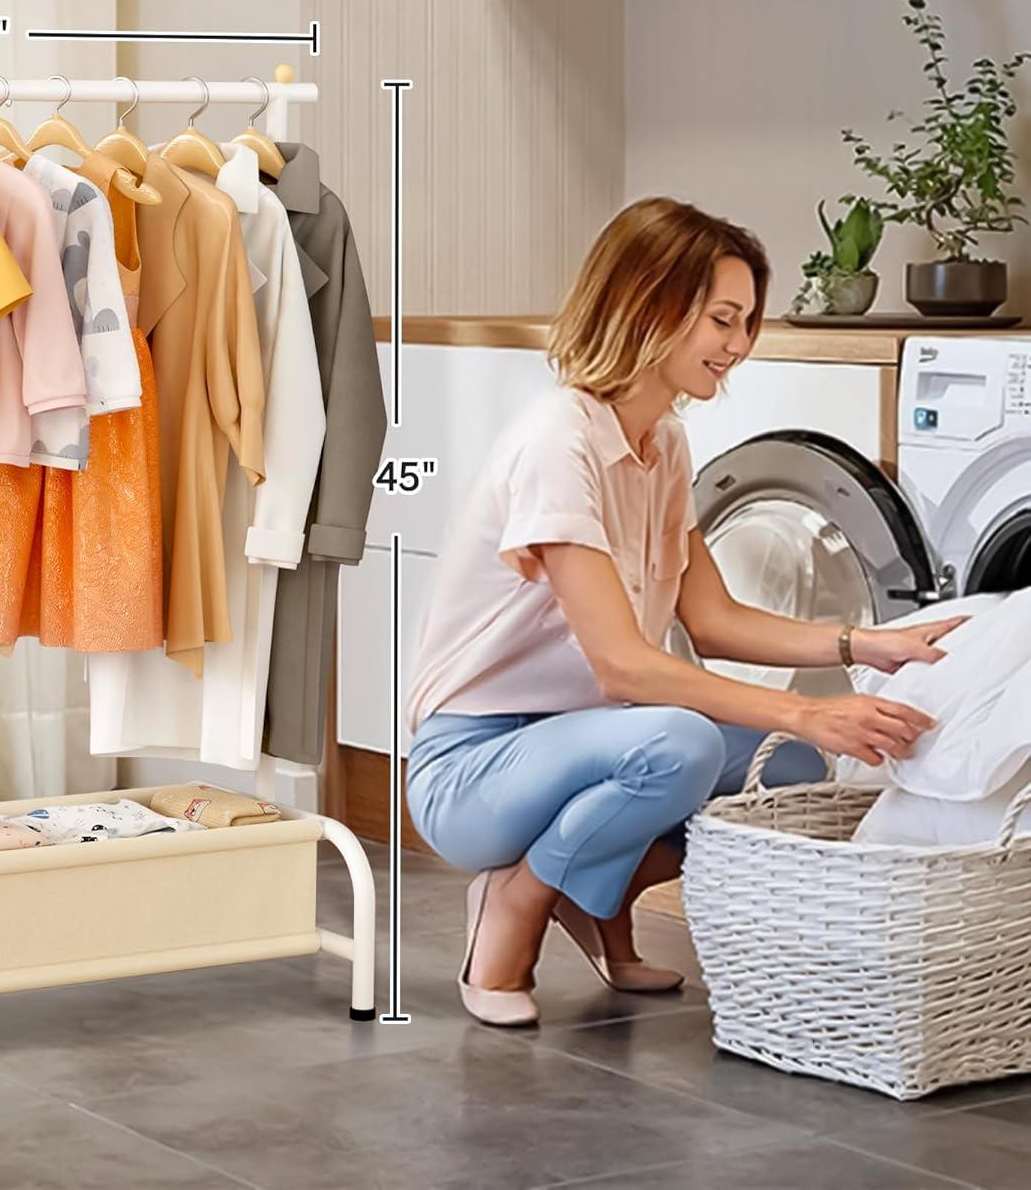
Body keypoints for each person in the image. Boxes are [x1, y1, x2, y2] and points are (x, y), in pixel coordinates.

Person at [404, 198, 961, 1027]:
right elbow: (622, 665)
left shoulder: (661, 442)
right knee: (683, 740)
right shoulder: (560, 442)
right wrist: (809, 711)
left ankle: (596, 901)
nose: (739, 345)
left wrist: (864, 642)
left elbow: (713, 618)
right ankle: (515, 901)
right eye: (723, 320)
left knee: (793, 771)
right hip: (474, 766)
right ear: (650, 306)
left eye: (745, 322)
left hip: (588, 739)